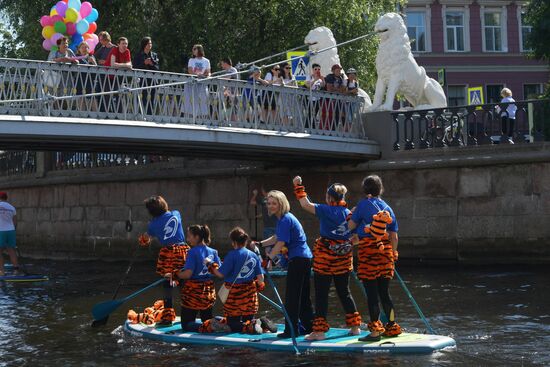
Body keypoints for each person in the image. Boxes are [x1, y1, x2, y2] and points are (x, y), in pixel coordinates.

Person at [292, 176, 361, 341]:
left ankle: (320, 332)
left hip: (324, 258)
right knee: (344, 292)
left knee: (322, 294)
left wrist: (298, 185)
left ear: (330, 198)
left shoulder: (325, 209)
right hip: (344, 258)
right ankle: (355, 327)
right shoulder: (349, 214)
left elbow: (304, 204)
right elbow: (357, 237)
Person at [348, 175, 402, 342]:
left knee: (372, 294)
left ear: (365, 190)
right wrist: (393, 254)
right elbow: (394, 236)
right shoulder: (387, 207)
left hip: (369, 253)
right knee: (384, 293)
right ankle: (392, 327)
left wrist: (353, 214)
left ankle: (375, 331)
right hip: (386, 252)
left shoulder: (363, 205)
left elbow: (350, 226)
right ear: (380, 189)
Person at [258, 190, 313, 338]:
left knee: (292, 298)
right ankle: (309, 327)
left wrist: (268, 258)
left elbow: (281, 242)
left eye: (274, 203)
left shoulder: (284, 219)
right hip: (305, 259)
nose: (270, 206)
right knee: (303, 297)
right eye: (268, 203)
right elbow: (277, 237)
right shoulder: (285, 219)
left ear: (281, 204)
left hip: (298, 260)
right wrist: (260, 243)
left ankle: (291, 330)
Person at [207, 227, 277, 334]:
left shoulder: (232, 255)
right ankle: (258, 323)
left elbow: (220, 274)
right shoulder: (253, 255)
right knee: (248, 319)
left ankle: (257, 324)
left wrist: (210, 265)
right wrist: (258, 286)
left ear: (234, 242)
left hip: (235, 296)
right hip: (250, 295)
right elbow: (261, 279)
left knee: (232, 325)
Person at [138, 196, 189, 325]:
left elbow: (146, 238)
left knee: (168, 285)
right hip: (183, 251)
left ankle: (168, 316)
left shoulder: (153, 225)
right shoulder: (176, 214)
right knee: (185, 284)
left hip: (169, 255)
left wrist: (143, 240)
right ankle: (189, 315)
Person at [175, 224, 220, 332]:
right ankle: (220, 322)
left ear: (197, 237)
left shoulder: (192, 252)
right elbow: (219, 272)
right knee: (206, 320)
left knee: (186, 325)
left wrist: (175, 274)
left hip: (193, 293)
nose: (187, 239)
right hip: (208, 292)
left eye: (189, 236)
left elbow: (187, 274)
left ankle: (212, 325)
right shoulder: (213, 252)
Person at [133, 37, 160, 115]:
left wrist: (151, 64)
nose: (150, 45)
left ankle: (150, 114)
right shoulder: (139, 55)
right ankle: (140, 114)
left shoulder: (154, 55)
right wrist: (144, 63)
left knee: (152, 97)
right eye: (148, 43)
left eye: (151, 43)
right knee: (142, 97)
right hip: (142, 79)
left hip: (152, 80)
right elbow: (135, 67)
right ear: (144, 44)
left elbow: (157, 68)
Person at [184, 44, 211, 119]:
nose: (193, 50)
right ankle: (190, 118)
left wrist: (206, 75)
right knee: (191, 101)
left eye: (194, 49)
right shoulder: (191, 60)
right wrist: (197, 74)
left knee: (202, 101)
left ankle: (201, 119)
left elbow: (208, 72)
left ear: (199, 50)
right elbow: (190, 70)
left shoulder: (206, 61)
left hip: (202, 84)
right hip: (193, 83)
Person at [321, 64, 345, 130]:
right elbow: (329, 89)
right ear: (333, 71)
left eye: (339, 70)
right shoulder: (330, 77)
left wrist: (336, 89)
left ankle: (334, 129)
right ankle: (326, 128)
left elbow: (342, 89)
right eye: (337, 70)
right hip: (328, 99)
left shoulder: (340, 78)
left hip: (337, 99)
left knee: (338, 114)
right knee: (328, 114)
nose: (339, 72)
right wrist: (338, 89)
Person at [75, 42, 98, 111]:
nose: (84, 49)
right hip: (80, 81)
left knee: (92, 99)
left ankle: (95, 116)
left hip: (90, 81)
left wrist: (94, 62)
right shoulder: (77, 58)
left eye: (86, 47)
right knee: (81, 99)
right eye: (82, 47)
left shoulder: (91, 57)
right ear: (79, 49)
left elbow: (97, 69)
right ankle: (82, 116)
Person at [0, 192, 19, 276]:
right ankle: (15, 271)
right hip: (11, 231)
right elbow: (15, 222)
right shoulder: (12, 207)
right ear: (6, 198)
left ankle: (2, 271)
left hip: (1, 231)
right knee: (12, 251)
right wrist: (13, 230)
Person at [304, 63, 325, 129]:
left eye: (319, 69)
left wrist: (323, 79)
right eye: (315, 69)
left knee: (315, 113)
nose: (317, 70)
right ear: (312, 69)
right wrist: (315, 79)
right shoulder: (309, 77)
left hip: (317, 99)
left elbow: (323, 86)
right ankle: (307, 127)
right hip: (310, 98)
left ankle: (312, 127)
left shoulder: (319, 79)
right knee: (310, 113)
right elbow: (307, 85)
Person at [220, 57, 239, 122]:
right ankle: (228, 123)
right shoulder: (228, 71)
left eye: (222, 64)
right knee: (228, 109)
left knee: (233, 110)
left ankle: (235, 125)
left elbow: (227, 78)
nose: (221, 65)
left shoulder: (233, 70)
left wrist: (218, 78)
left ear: (226, 63)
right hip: (228, 94)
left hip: (233, 94)